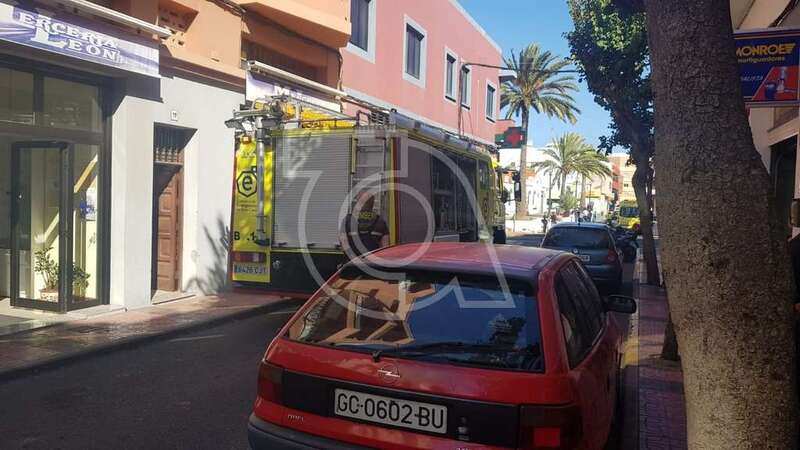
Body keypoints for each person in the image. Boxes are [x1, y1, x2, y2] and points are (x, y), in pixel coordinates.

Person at [340, 191, 389, 258]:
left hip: (352, 264)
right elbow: (385, 248)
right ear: (372, 203)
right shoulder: (380, 222)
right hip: (372, 263)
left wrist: (354, 260)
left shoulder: (347, 221)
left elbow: (344, 244)